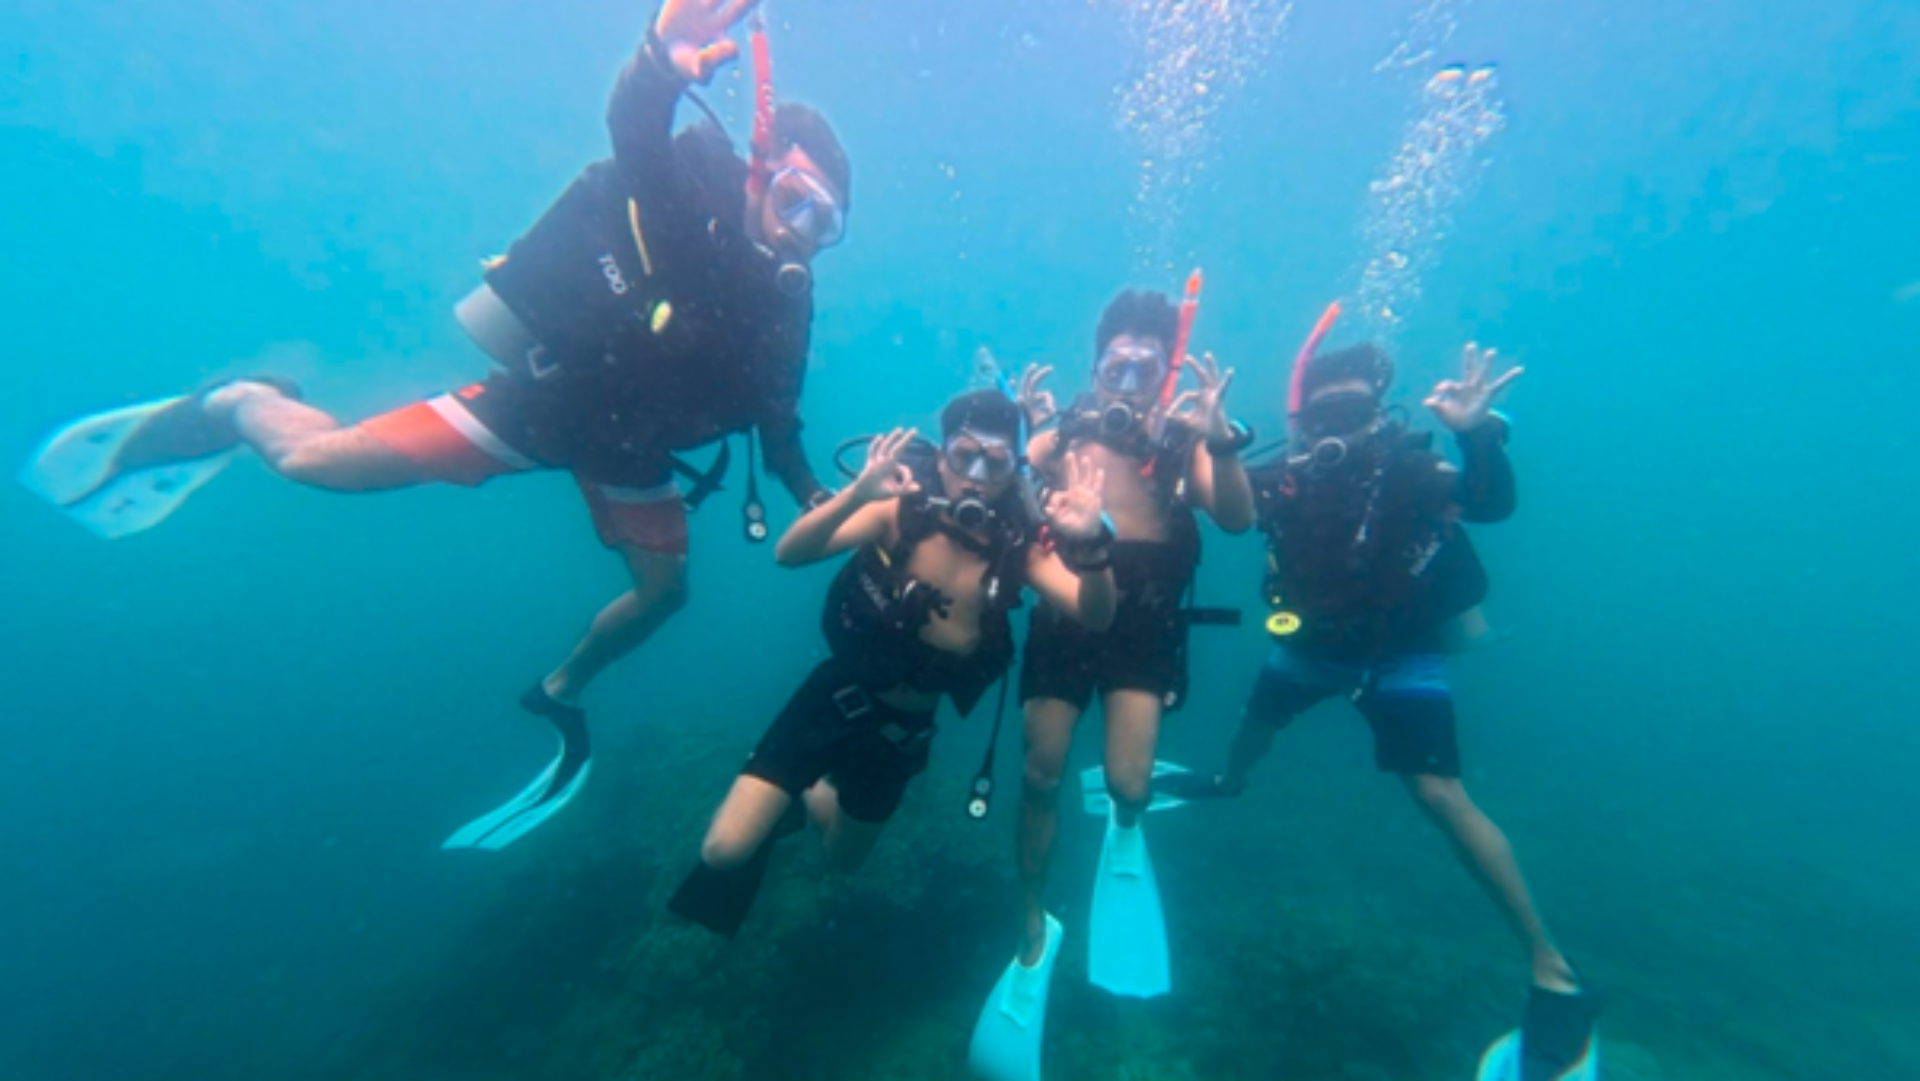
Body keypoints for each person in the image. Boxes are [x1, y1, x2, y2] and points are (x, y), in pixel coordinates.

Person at [24, 0, 853, 848]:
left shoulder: (786, 308)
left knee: (664, 596)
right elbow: (635, 133)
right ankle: (243, 400)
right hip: (544, 406)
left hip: (631, 447)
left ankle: (560, 691)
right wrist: (654, 64)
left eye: (826, 224)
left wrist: (827, 496)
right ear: (755, 175)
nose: (804, 237)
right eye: (795, 202)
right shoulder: (686, 208)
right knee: (313, 463)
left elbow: (778, 422)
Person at [1163, 339, 1600, 1081]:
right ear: (1301, 420)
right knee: (1253, 731)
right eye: (1323, 411)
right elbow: (1232, 514)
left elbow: (1491, 502)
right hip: (1310, 647)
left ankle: (1551, 963)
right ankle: (1229, 782)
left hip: (1401, 653)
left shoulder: (1414, 469)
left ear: (1379, 413)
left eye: (1355, 410)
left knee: (1438, 793)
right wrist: (1216, 443)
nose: (1338, 425)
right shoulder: (1290, 475)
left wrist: (1475, 430)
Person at [667, 390, 1118, 938]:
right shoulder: (897, 510)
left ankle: (809, 794)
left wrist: (1093, 548)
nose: (975, 475)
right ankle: (790, 787)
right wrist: (856, 495)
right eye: (963, 455)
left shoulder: (1015, 549)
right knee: (722, 852)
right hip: (831, 698)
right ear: (942, 454)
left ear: (1015, 469)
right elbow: (789, 553)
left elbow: (1094, 614)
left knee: (843, 858)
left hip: (904, 733)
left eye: (995, 461)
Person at [969, 288, 1255, 1081]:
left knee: (1129, 786)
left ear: (1164, 374)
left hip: (1147, 626)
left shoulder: (1182, 435)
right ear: (1096, 368)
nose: (1128, 378)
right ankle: (1033, 925)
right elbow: (1014, 477)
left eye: (1145, 366)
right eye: (1115, 364)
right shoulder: (1069, 431)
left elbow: (1234, 517)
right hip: (1068, 614)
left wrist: (1221, 440)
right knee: (1038, 772)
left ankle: (1128, 823)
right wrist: (1033, 430)